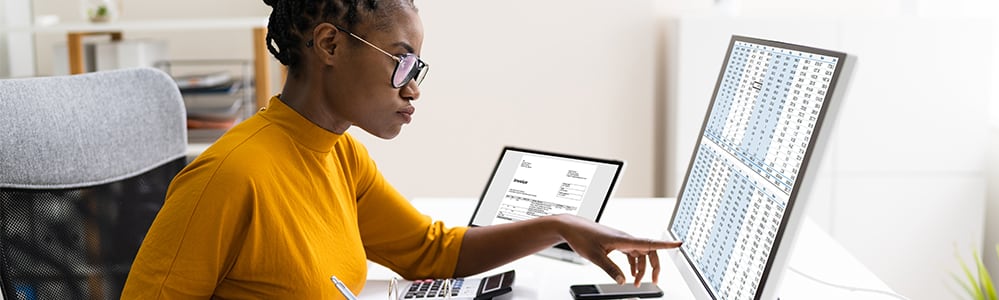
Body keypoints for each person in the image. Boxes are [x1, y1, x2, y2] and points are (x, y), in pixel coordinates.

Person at [121, 0, 681, 298]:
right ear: (329, 44)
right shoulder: (228, 177)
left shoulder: (341, 157)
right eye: (402, 61)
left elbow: (432, 254)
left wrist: (562, 225)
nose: (413, 88)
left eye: (419, 68)